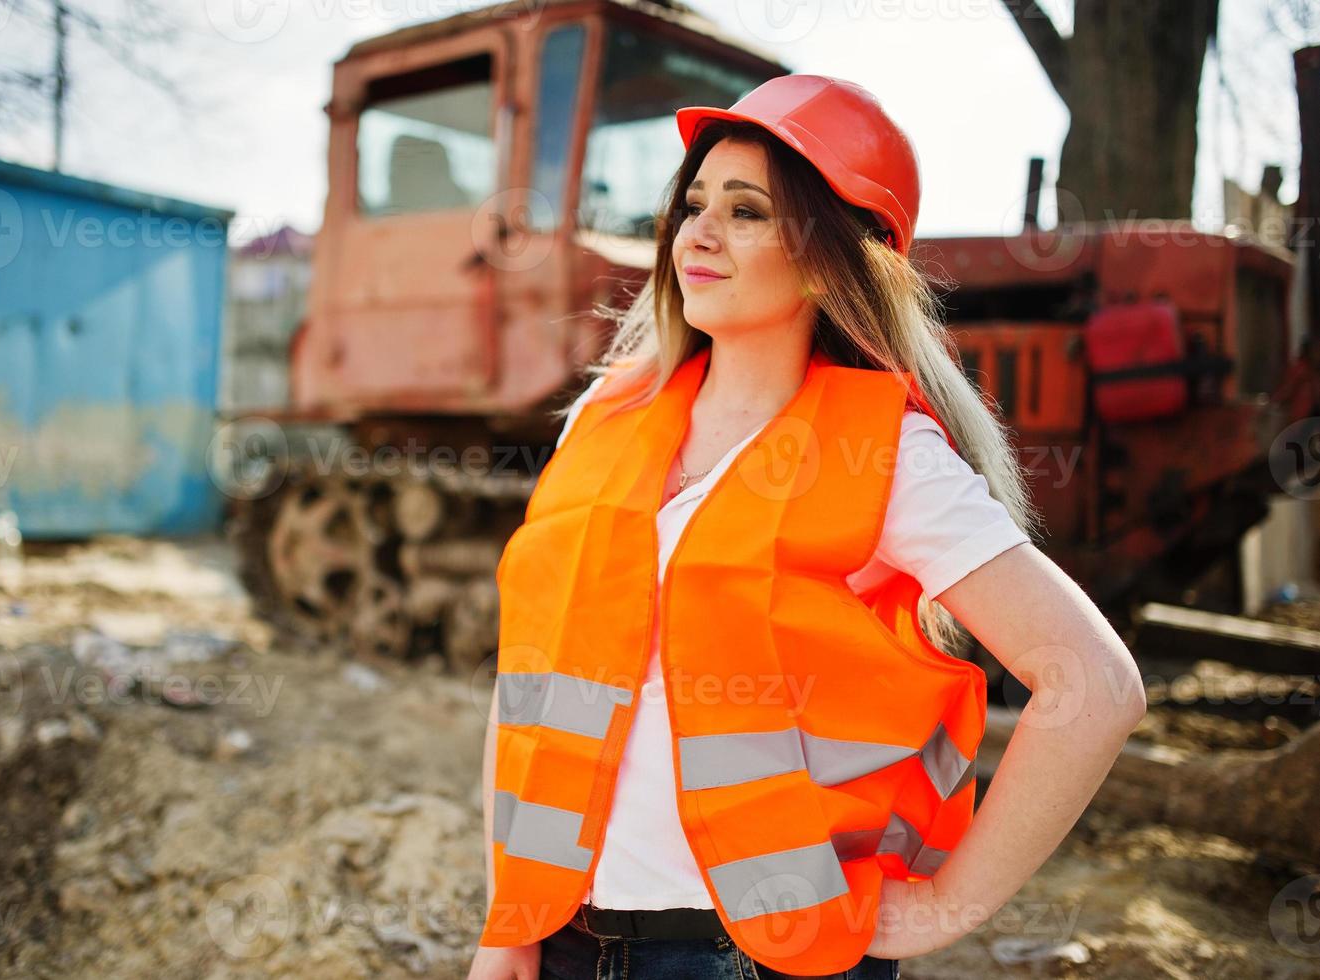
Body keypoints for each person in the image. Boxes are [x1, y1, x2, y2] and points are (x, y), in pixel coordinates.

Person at [468, 74, 1146, 980]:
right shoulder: (607, 416)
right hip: (563, 942)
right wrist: (506, 921)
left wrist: (948, 907)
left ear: (830, 259)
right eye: (693, 203)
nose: (697, 233)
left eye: (746, 212)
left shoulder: (885, 455)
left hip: (761, 961)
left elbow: (1093, 687)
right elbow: (530, 682)